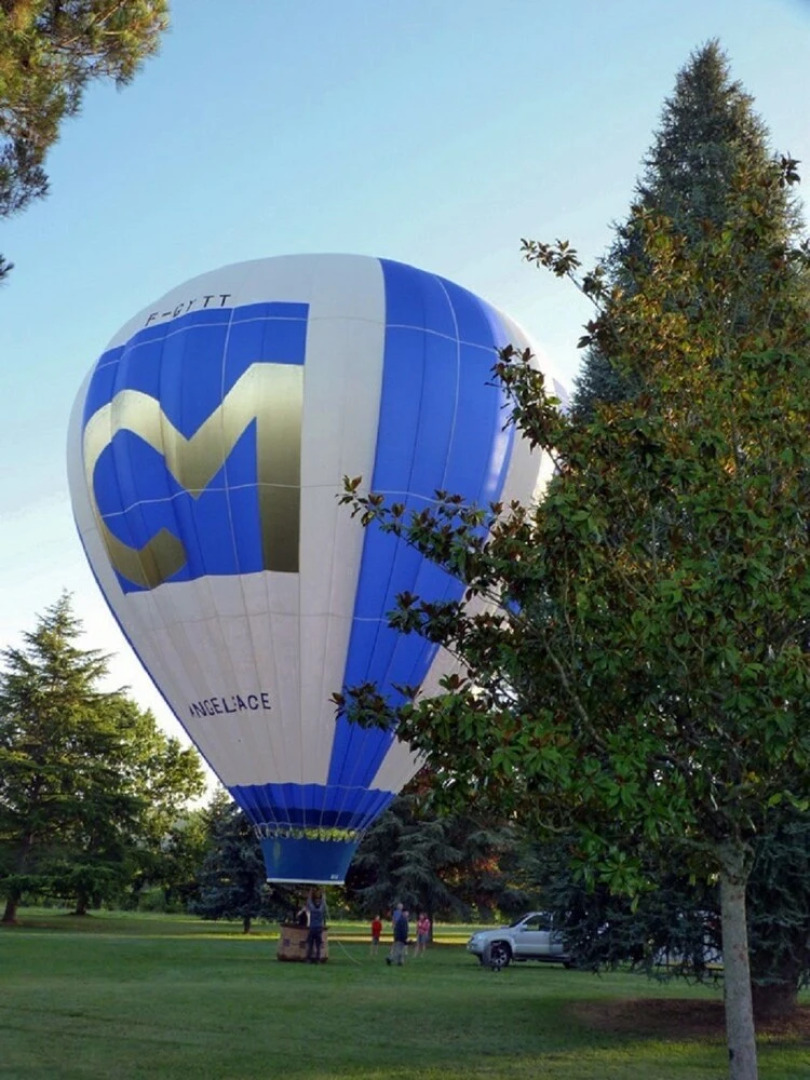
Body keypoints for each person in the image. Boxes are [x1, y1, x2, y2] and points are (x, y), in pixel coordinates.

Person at [305, 888, 328, 963]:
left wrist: (310, 892)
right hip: (319, 928)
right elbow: (323, 902)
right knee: (318, 945)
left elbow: (309, 901)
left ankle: (308, 959)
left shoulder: (312, 909)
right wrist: (323, 893)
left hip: (312, 928)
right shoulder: (321, 909)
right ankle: (318, 959)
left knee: (310, 944)